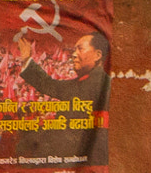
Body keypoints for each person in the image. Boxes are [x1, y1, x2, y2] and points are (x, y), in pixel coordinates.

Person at [15, 30, 110, 165]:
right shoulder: (84, 83)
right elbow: (49, 85)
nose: (74, 54)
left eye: (80, 49)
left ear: (97, 55)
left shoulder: (98, 85)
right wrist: (26, 59)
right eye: (74, 49)